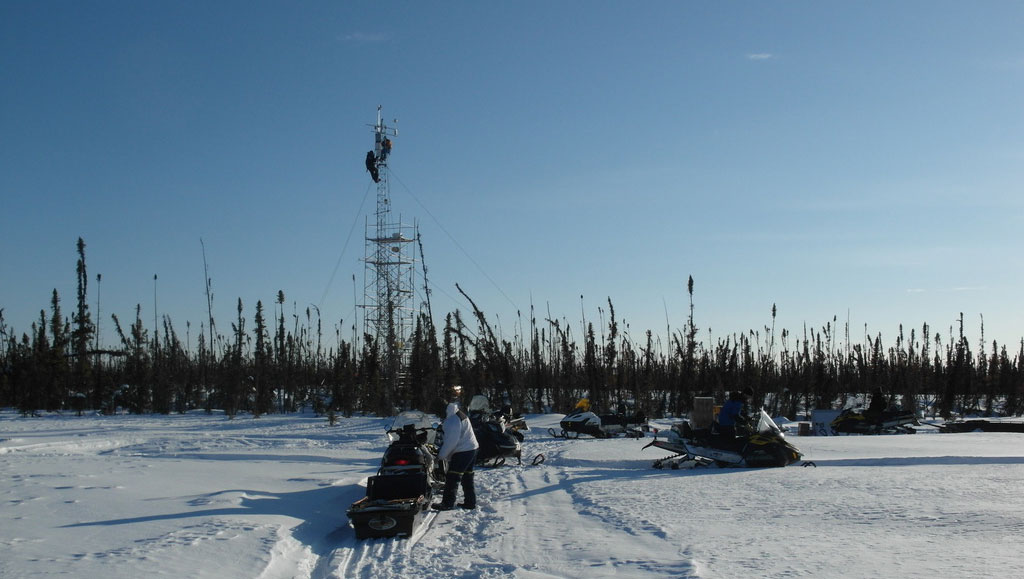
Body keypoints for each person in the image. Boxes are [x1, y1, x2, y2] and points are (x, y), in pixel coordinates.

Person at [434, 401, 480, 511]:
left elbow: (451, 442)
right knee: (467, 477)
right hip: (472, 449)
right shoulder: (457, 413)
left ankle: (447, 503)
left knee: (452, 477)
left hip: (463, 451)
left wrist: (440, 456)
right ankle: (470, 502)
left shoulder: (452, 420)